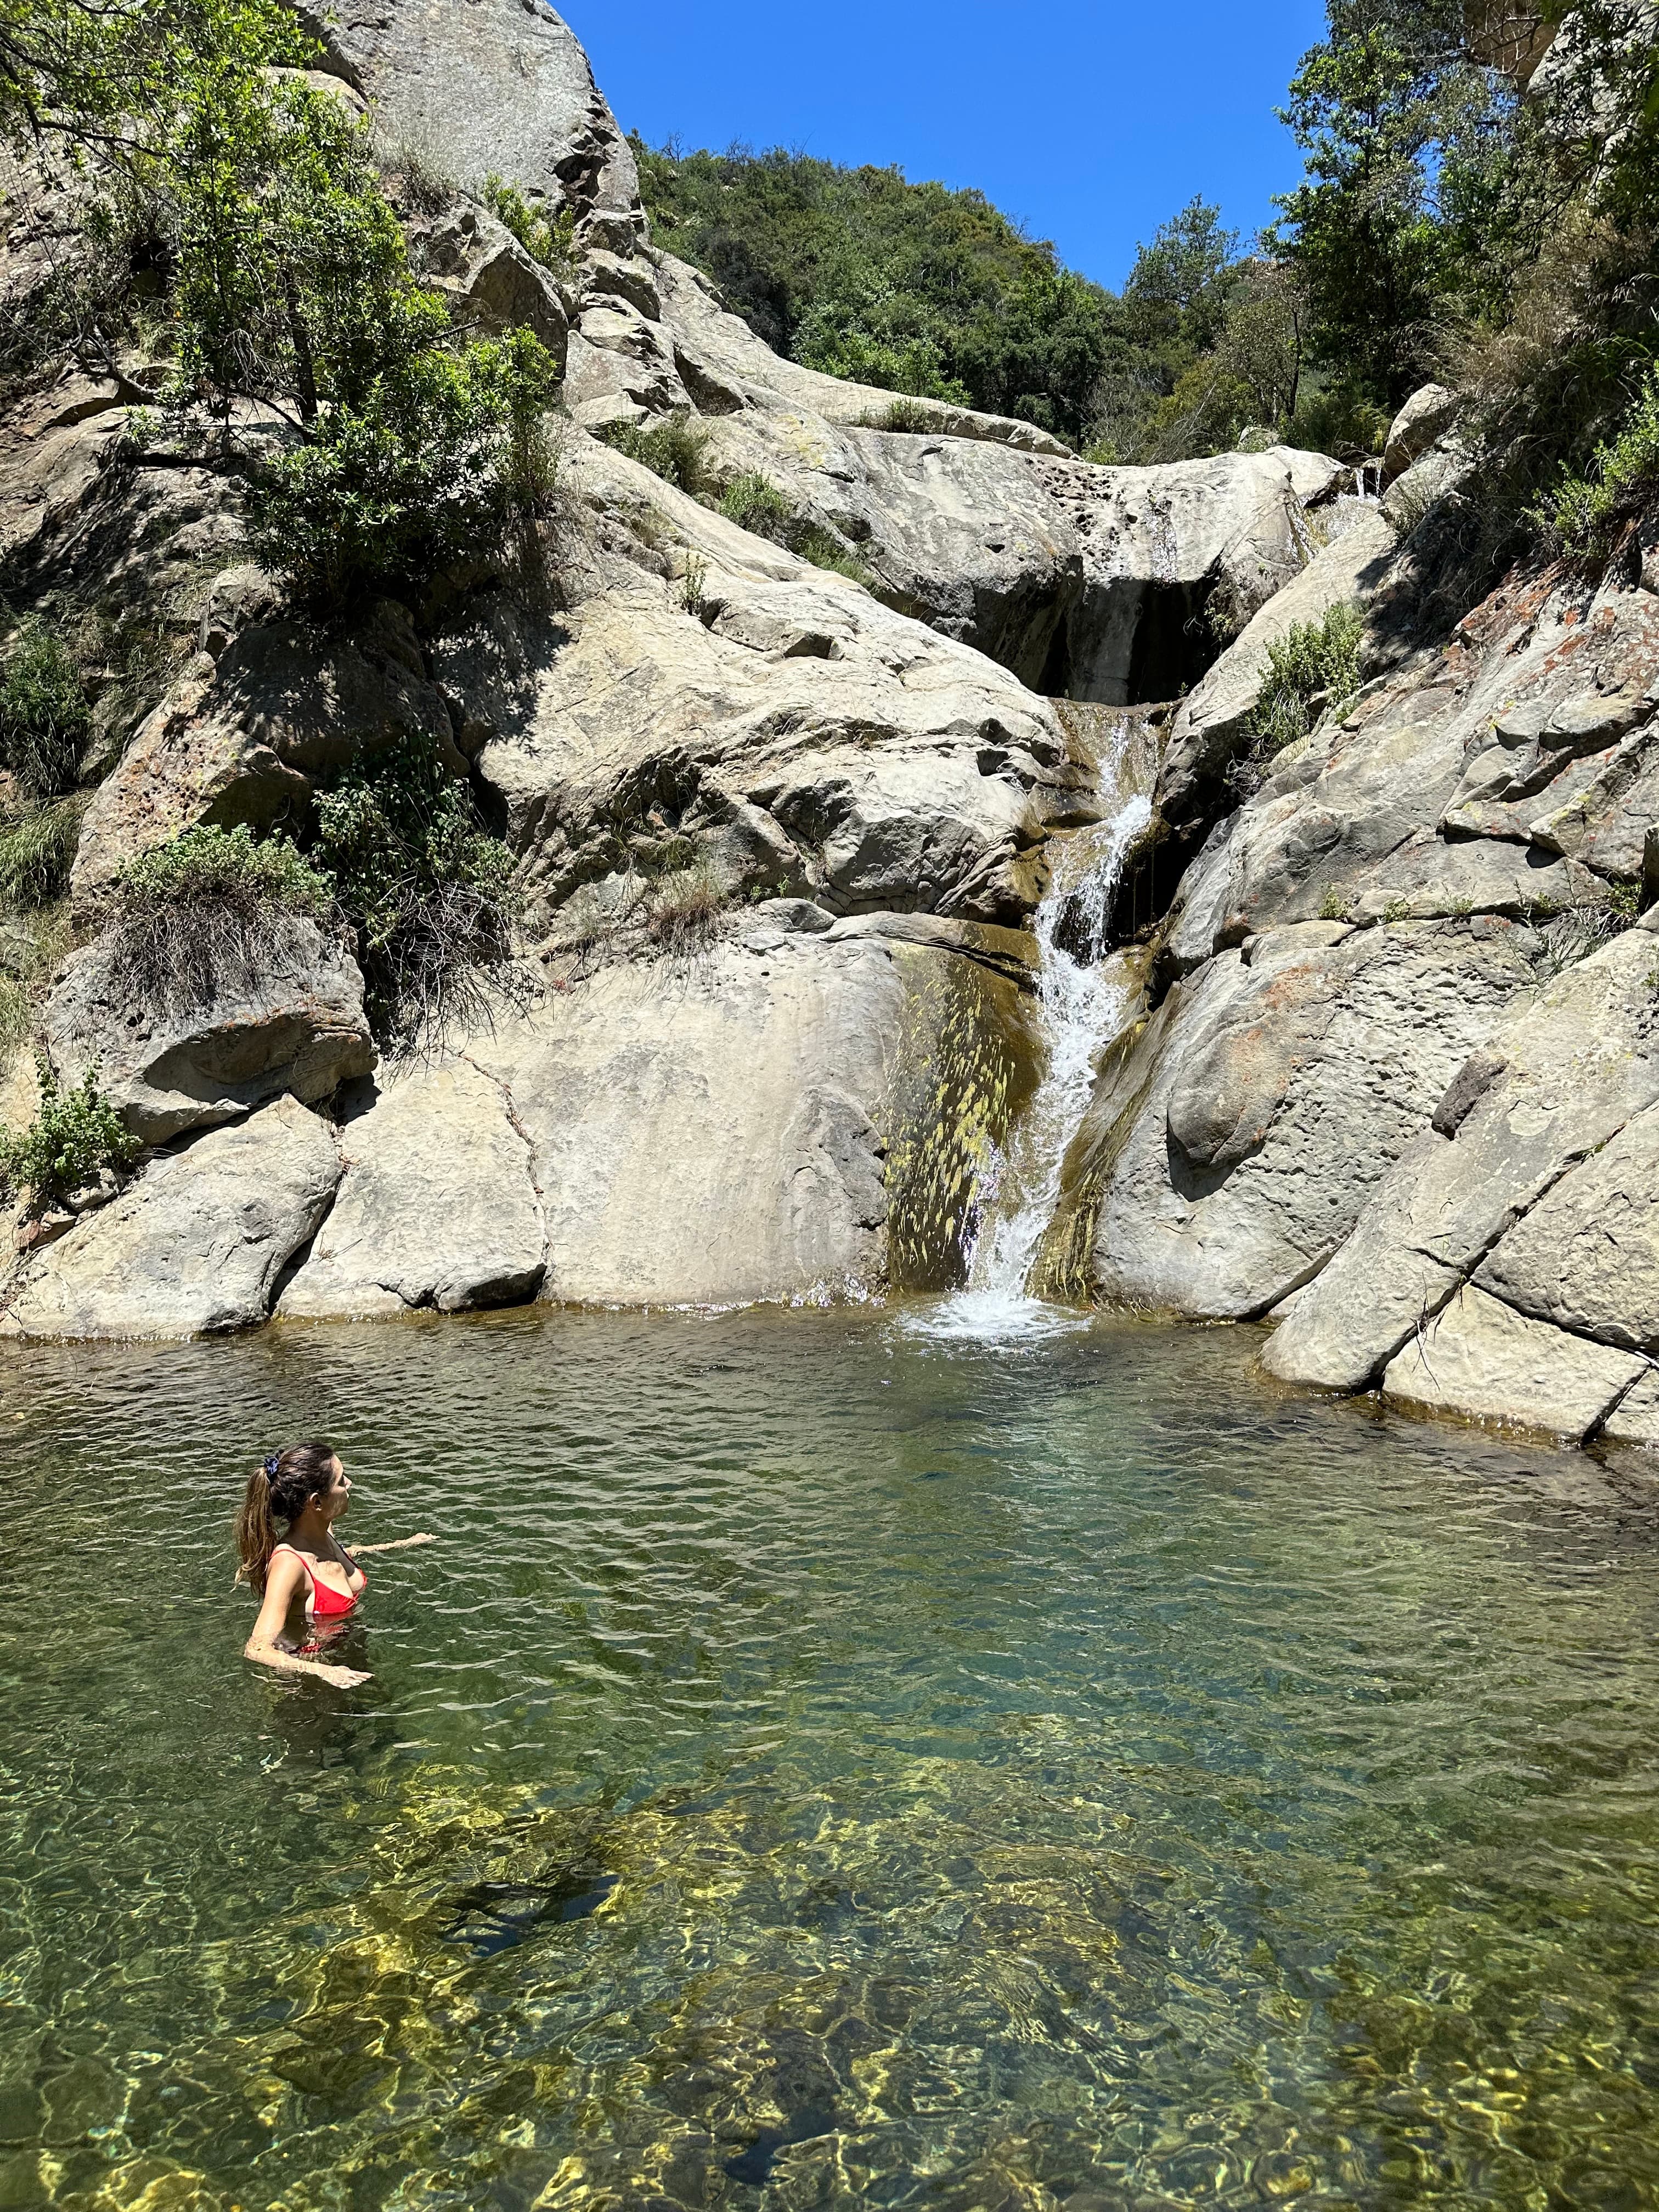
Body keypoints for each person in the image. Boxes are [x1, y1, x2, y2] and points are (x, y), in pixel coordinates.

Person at [235, 1441, 433, 1688]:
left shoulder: (323, 1532)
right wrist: (322, 1671)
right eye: (340, 1481)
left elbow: (340, 1556)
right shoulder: (289, 1565)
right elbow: (257, 1648)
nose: (349, 1483)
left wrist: (399, 1544)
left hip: (349, 1664)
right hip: (310, 1686)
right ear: (316, 1503)